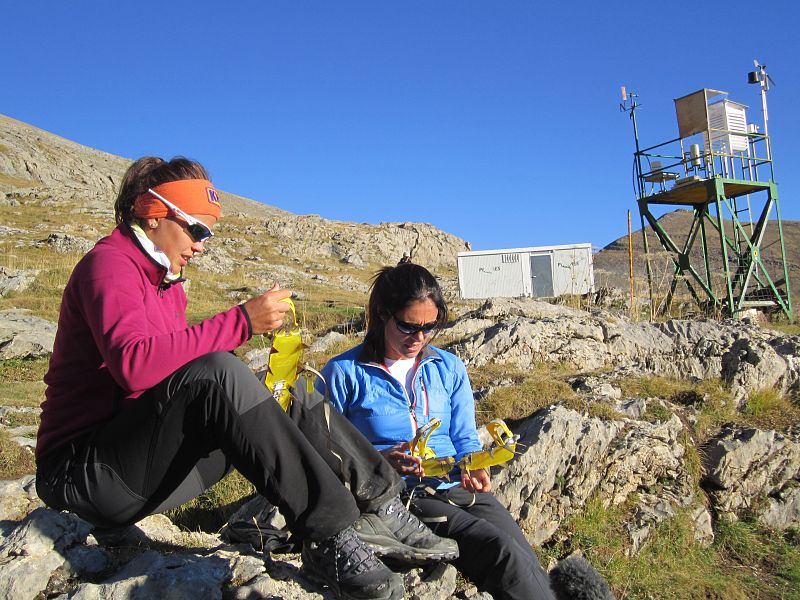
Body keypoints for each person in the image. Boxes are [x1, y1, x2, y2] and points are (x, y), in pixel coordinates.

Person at [35, 157, 455, 600]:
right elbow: (134, 367)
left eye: (207, 235)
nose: (201, 245)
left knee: (285, 388)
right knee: (221, 372)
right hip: (80, 479)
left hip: (135, 470)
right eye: (196, 229)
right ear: (153, 212)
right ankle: (328, 539)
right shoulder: (111, 265)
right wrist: (240, 322)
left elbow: (165, 382)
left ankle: (380, 502)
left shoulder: (167, 282)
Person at [322, 262, 557, 600]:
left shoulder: (448, 367)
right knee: (499, 550)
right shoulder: (344, 372)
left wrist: (476, 465)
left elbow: (464, 437)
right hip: (399, 499)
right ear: (382, 315)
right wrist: (381, 461)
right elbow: (323, 448)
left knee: (523, 553)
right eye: (408, 326)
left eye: (430, 327)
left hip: (455, 484)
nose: (419, 338)